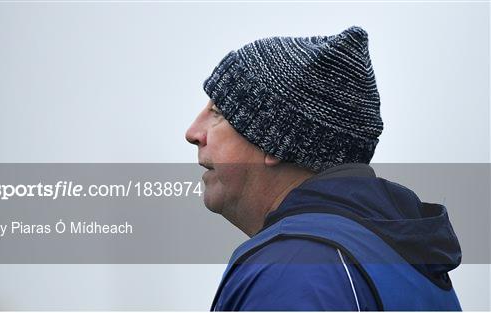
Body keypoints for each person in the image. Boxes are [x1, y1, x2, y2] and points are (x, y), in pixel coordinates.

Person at [185, 26, 462, 311]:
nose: (193, 132)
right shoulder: (409, 267)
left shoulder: (295, 268)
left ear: (275, 140)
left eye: (218, 113)